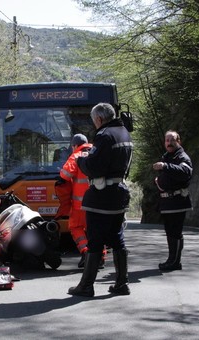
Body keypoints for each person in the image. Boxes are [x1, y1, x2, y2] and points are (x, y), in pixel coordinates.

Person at [68, 103, 133, 297]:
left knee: (95, 239)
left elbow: (95, 167)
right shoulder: (124, 133)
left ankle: (86, 286)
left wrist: (81, 159)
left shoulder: (104, 135)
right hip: (118, 194)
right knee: (117, 238)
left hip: (102, 195)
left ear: (98, 119)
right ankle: (122, 284)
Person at [152, 130, 193, 271]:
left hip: (177, 201)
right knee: (170, 232)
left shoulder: (182, 156)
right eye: (167, 140)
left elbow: (185, 172)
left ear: (178, 141)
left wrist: (165, 166)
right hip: (167, 202)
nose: (169, 143)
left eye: (172, 140)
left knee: (175, 232)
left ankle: (175, 262)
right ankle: (172, 259)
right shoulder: (167, 156)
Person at [55, 134, 94, 267]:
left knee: (75, 227)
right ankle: (99, 257)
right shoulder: (97, 152)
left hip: (80, 204)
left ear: (75, 146)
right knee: (95, 230)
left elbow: (65, 174)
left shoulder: (76, 155)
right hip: (98, 202)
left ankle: (85, 251)